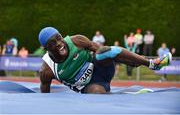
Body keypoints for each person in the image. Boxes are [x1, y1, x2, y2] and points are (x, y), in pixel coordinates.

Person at [38, 27, 172, 94]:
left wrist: (129, 60)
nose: (59, 43)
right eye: (52, 43)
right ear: (45, 49)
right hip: (88, 87)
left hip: (102, 69)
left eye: (59, 37)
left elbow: (104, 51)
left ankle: (152, 63)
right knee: (97, 93)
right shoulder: (47, 70)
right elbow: (45, 96)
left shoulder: (76, 41)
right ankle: (130, 95)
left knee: (104, 51)